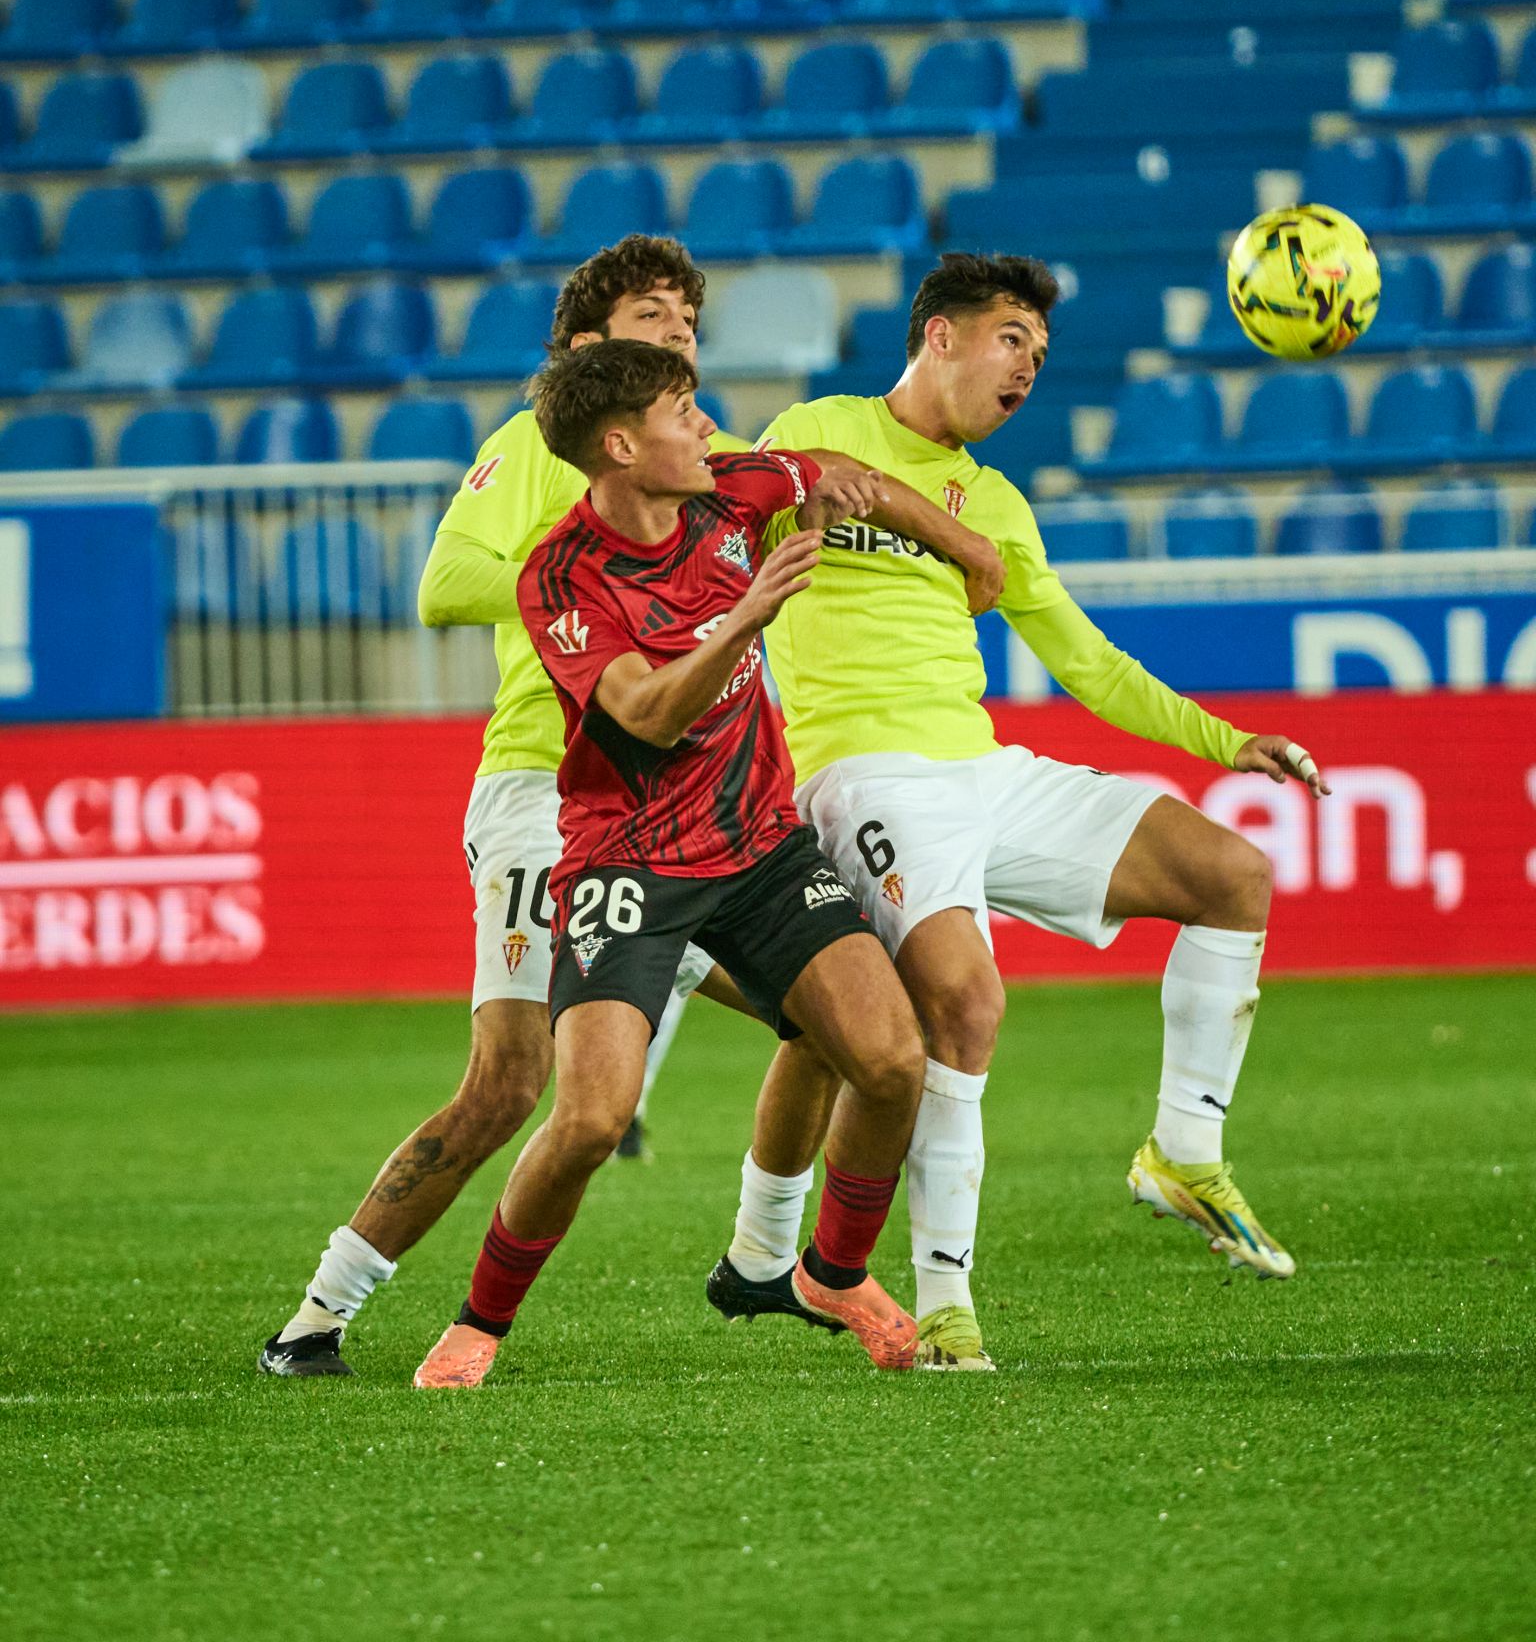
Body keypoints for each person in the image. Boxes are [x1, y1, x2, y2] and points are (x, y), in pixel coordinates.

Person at [710, 251, 1330, 1374]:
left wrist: (1229, 741)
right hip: (863, 775)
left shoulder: (999, 500)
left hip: (982, 769)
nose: (1029, 367)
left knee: (1232, 876)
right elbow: (728, 501)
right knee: (965, 1004)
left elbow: (1086, 662)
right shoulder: (824, 427)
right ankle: (945, 1309)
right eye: (1011, 340)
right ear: (938, 336)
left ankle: (1183, 1150)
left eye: (1041, 354)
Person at [258, 237, 746, 1377]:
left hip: (694, 797)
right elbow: (443, 582)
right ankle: (319, 1315)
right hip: (549, 787)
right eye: (649, 315)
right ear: (586, 342)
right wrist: (580, 566)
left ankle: (777, 1260)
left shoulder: (702, 454)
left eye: (686, 318)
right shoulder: (536, 447)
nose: (678, 331)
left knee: (837, 1015)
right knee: (510, 1081)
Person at [411, 339, 941, 1386]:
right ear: (620, 444)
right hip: (628, 862)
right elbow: (645, 715)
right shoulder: (562, 577)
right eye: (683, 409)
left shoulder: (734, 491)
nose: (709, 425)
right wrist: (748, 616)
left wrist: (965, 550)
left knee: (891, 1058)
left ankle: (831, 1270)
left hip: (758, 848)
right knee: (593, 1117)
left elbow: (845, 476)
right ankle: (480, 1321)